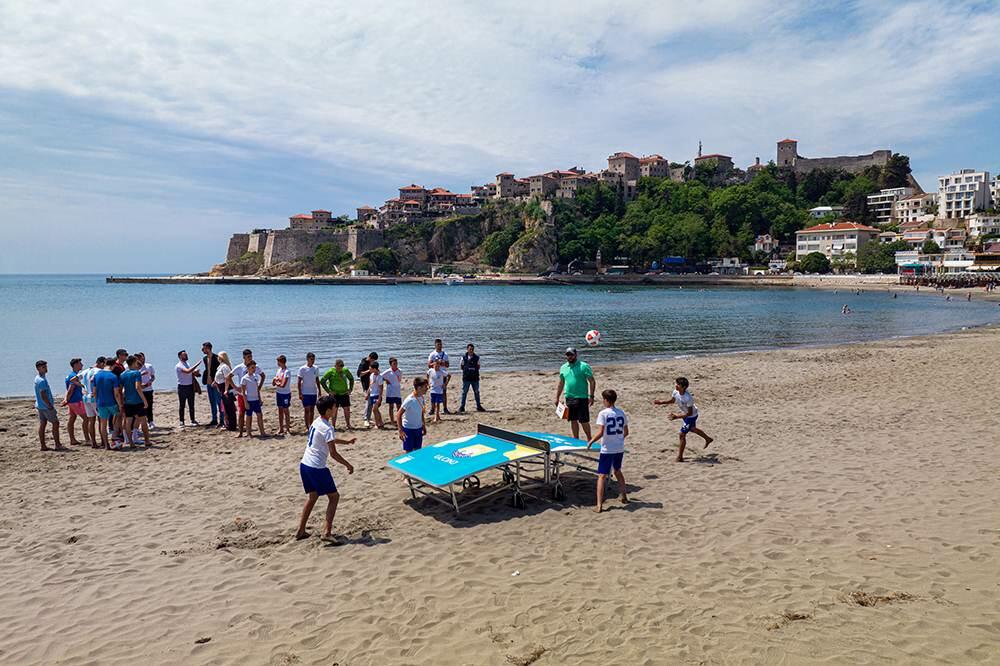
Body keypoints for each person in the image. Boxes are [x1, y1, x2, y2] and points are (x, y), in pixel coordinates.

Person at [296, 395, 355, 541]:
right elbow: (333, 453)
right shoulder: (328, 427)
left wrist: (346, 442)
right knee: (334, 497)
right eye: (335, 407)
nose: (337, 409)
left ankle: (300, 530)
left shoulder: (317, 422)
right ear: (329, 410)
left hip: (305, 465)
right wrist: (348, 464)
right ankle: (327, 532)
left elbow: (329, 440)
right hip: (317, 468)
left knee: (313, 497)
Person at [587, 389, 630, 513]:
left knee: (601, 476)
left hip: (607, 449)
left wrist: (591, 441)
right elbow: (626, 432)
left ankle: (599, 505)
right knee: (617, 471)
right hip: (619, 448)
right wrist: (618, 439)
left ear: (606, 400)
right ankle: (624, 496)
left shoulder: (603, 414)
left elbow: (601, 432)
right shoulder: (621, 413)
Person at [654, 376, 713, 462]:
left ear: (684, 387)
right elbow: (672, 400)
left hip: (691, 416)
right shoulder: (675, 392)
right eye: (676, 383)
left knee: (682, 434)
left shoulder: (688, 398)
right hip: (687, 416)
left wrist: (676, 416)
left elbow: (689, 413)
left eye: (678, 384)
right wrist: (661, 402)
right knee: (692, 429)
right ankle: (708, 439)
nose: (676, 385)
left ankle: (680, 457)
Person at [555, 347, 595, 440]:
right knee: (573, 420)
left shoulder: (584, 366)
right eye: (568, 355)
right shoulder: (563, 367)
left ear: (576, 355)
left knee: (584, 420)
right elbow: (561, 383)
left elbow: (592, 381)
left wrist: (591, 396)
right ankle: (575, 440)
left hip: (582, 397)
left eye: (571, 355)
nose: (570, 357)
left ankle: (589, 439)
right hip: (569, 397)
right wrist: (557, 397)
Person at [120, 355, 151, 448]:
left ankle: (131, 443)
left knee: (128, 422)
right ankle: (147, 441)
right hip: (137, 400)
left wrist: (122, 401)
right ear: (133, 362)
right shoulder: (136, 373)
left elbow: (121, 390)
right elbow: (138, 387)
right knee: (143, 421)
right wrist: (144, 400)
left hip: (128, 401)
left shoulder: (122, 374)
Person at [34, 360, 64, 451]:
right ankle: (57, 444)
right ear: (38, 368)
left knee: (43, 424)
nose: (46, 369)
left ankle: (43, 445)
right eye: (43, 367)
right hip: (45, 406)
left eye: (46, 366)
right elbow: (43, 394)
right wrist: (49, 405)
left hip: (40, 405)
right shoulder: (41, 380)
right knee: (55, 423)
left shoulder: (38, 378)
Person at [92, 357, 122, 449]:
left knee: (103, 423)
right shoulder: (113, 376)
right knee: (118, 417)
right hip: (111, 402)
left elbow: (94, 391)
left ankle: (106, 444)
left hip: (101, 402)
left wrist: (97, 402)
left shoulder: (97, 375)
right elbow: (116, 393)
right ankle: (114, 436)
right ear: (113, 366)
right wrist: (120, 404)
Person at [320, 359, 355, 430]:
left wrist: (350, 389)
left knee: (347, 409)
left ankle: (348, 424)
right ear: (335, 365)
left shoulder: (345, 370)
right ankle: (333, 426)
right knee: (334, 410)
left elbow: (351, 379)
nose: (341, 367)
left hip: (344, 393)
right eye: (339, 366)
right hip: (334, 395)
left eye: (342, 366)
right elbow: (322, 381)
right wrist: (329, 391)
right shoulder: (331, 371)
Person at [397, 377, 429, 452]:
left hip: (418, 428)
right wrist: (400, 431)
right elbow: (398, 414)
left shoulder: (421, 397)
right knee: (408, 452)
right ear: (419, 387)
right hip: (408, 429)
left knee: (418, 451)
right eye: (425, 387)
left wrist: (423, 425)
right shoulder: (409, 399)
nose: (427, 388)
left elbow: (421, 412)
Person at [61, 358, 87, 446]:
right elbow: (70, 390)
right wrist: (66, 400)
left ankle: (72, 439)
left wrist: (66, 399)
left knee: (72, 419)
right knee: (86, 419)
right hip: (75, 401)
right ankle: (87, 438)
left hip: (72, 401)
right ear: (75, 365)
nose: (82, 365)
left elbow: (69, 390)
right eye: (80, 363)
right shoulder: (74, 376)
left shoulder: (70, 375)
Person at [239, 359, 266, 438]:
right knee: (249, 416)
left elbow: (257, 389)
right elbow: (243, 392)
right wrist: (246, 402)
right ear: (248, 368)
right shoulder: (244, 378)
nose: (253, 369)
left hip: (256, 400)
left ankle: (262, 432)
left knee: (259, 415)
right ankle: (249, 433)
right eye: (252, 368)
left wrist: (260, 399)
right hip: (249, 400)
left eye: (254, 368)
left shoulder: (255, 377)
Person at [175, 350, 202, 428]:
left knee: (191, 404)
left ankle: (193, 420)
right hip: (182, 387)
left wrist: (195, 372)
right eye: (184, 355)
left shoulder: (187, 364)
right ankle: (181, 421)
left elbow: (190, 373)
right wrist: (197, 364)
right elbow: (187, 371)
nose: (186, 356)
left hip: (190, 386)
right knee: (182, 405)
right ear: (180, 356)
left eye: (186, 354)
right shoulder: (178, 365)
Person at [79, 358, 100, 448]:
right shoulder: (98, 371)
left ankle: (93, 442)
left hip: (86, 397)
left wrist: (83, 387)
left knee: (91, 421)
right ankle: (103, 440)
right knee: (100, 420)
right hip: (94, 398)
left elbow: (73, 379)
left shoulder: (85, 371)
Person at [231, 349, 253, 435]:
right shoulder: (240, 367)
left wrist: (258, 387)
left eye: (251, 356)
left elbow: (262, 375)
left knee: (249, 413)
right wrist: (236, 387)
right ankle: (240, 432)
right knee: (241, 413)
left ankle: (248, 431)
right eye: (248, 357)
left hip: (251, 394)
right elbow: (228, 377)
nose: (250, 358)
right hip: (242, 394)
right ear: (244, 357)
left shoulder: (253, 366)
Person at [297, 352, 321, 429]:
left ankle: (311, 424)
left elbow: (317, 380)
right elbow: (299, 381)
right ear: (307, 359)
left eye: (314, 359)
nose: (313, 361)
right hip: (305, 392)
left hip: (313, 392)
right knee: (307, 409)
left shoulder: (316, 368)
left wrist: (319, 390)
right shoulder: (302, 369)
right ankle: (307, 425)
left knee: (312, 410)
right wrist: (300, 393)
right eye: (311, 359)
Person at [427, 339, 451, 413]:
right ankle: (432, 409)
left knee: (443, 392)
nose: (439, 346)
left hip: (442, 374)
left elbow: (448, 365)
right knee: (433, 392)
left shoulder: (445, 354)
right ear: (435, 345)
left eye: (440, 344)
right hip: (434, 375)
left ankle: (445, 408)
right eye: (438, 344)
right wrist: (436, 363)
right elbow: (429, 365)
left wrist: (443, 362)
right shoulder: (432, 354)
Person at [459, 343, 485, 412]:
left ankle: (478, 406)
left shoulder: (477, 357)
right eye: (470, 349)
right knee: (464, 392)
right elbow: (461, 366)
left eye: (472, 349)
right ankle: (462, 407)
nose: (471, 350)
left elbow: (478, 366)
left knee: (476, 392)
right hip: (466, 378)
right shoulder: (463, 357)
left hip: (475, 378)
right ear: (467, 349)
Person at [201, 342, 222, 426]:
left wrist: (216, 381)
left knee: (219, 402)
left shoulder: (217, 358)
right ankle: (214, 419)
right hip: (208, 383)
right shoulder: (205, 358)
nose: (202, 350)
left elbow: (219, 371)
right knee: (212, 401)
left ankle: (222, 419)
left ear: (208, 348)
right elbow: (207, 370)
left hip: (216, 383)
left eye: (204, 348)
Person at [273, 355, 293, 435]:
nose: (277, 363)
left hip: (285, 393)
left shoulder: (287, 371)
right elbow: (274, 383)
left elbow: (283, 384)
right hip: (279, 393)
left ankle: (287, 428)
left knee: (286, 411)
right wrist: (276, 381)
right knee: (280, 411)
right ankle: (281, 428)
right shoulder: (279, 370)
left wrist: (277, 381)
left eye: (278, 362)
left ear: (281, 362)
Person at [214, 351, 234, 430]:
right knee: (225, 407)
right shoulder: (220, 366)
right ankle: (227, 424)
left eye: (218, 357)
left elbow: (227, 379)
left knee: (229, 408)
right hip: (221, 388)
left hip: (225, 388)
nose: (217, 358)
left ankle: (231, 425)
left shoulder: (225, 367)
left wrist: (226, 390)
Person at [137, 352, 156, 428]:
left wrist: (150, 382)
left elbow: (153, 376)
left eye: (143, 357)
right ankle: (140, 423)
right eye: (141, 358)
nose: (142, 359)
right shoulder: (135, 368)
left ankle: (150, 421)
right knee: (140, 407)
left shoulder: (149, 366)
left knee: (149, 406)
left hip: (148, 390)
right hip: (139, 390)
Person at [381, 358, 403, 423]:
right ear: (390, 364)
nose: (396, 365)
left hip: (397, 391)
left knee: (399, 406)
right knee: (391, 406)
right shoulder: (388, 371)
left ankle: (399, 419)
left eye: (396, 363)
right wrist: (386, 380)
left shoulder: (400, 371)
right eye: (394, 364)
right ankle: (392, 420)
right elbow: (380, 376)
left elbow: (399, 379)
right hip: (390, 391)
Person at [426, 358, 448, 423]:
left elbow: (448, 376)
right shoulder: (430, 371)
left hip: (439, 390)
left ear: (439, 365)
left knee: (437, 404)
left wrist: (445, 384)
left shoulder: (441, 371)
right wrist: (428, 383)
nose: (436, 366)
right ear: (433, 365)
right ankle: (437, 416)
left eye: (438, 365)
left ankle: (436, 416)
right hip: (432, 389)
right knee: (433, 403)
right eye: (435, 365)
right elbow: (427, 374)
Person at [365, 361, 384, 428]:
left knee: (374, 409)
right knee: (376, 410)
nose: (369, 370)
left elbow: (381, 388)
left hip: (377, 395)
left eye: (371, 369)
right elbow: (370, 385)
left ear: (375, 369)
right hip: (372, 395)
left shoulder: (380, 377)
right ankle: (381, 422)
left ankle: (377, 424)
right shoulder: (371, 375)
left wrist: (379, 398)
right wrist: (367, 393)